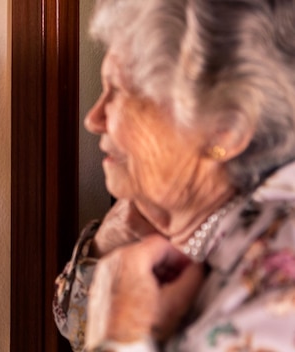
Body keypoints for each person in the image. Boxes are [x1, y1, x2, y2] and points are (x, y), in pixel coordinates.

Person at [53, 0, 295, 350]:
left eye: (118, 90)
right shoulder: (180, 226)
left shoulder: (279, 276)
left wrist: (121, 339)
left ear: (225, 127)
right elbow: (76, 324)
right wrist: (105, 249)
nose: (94, 118)